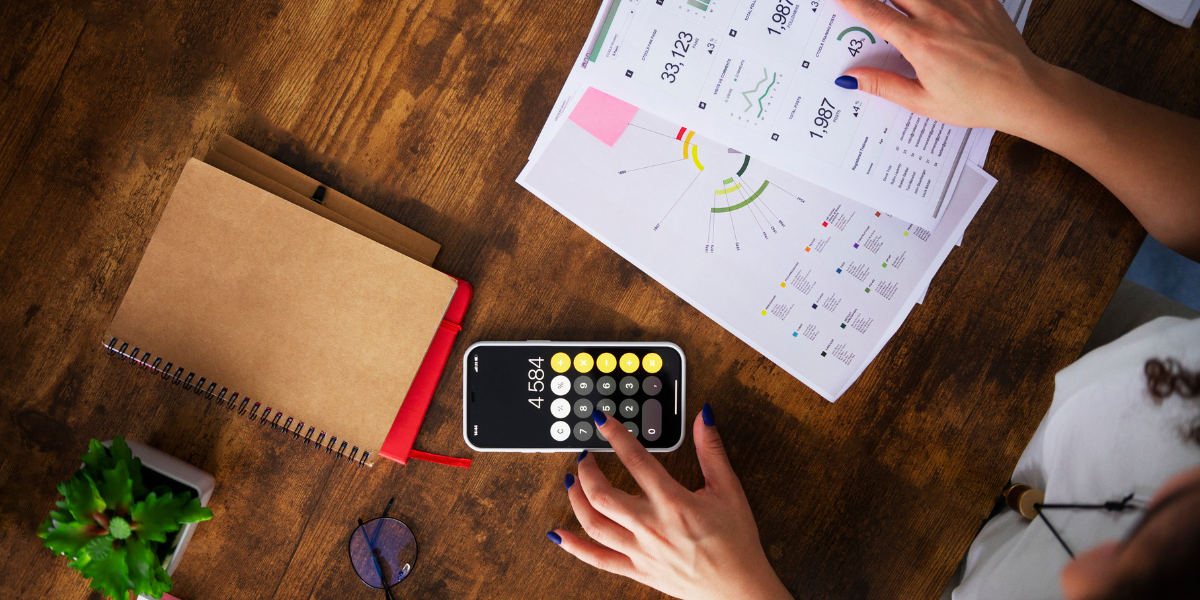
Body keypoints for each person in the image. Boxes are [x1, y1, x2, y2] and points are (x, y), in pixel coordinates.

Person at [544, 0, 1200, 596]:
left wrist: (741, 590)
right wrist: (1029, 88)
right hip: (1068, 327)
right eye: (1159, 521)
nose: (1080, 570)